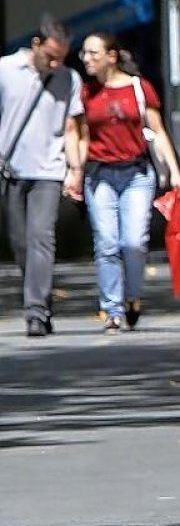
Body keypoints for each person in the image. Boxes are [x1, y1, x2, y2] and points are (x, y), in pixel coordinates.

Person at [78, 33, 180, 334]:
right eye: (84, 54)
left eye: (93, 53)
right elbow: (81, 134)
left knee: (134, 242)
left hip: (137, 174)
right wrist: (74, 171)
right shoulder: (86, 92)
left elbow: (159, 131)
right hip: (99, 175)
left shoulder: (139, 88)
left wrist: (175, 173)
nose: (87, 59)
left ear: (111, 56)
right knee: (107, 244)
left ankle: (132, 297)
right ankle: (112, 309)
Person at [0, 21, 84, 338]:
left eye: (61, 57)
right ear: (36, 44)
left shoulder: (68, 78)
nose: (55, 64)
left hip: (49, 170)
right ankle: (41, 296)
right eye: (50, 56)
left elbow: (73, 127)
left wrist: (75, 169)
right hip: (11, 170)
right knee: (20, 243)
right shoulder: (5, 70)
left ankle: (34, 310)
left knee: (40, 237)